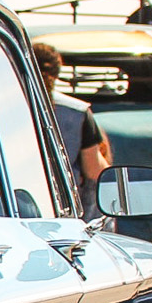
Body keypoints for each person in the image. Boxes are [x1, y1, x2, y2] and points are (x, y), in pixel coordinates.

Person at [32, 41, 113, 222]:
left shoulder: (1, 106)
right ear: (58, 71)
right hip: (62, 211)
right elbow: (94, 171)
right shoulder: (77, 111)